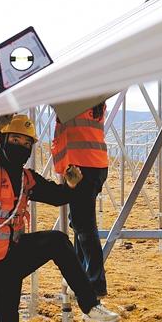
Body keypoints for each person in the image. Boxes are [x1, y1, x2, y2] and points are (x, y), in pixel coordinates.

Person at [0, 114, 119, 322]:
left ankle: (90, 304)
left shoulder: (26, 178)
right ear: (3, 140)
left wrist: (70, 186)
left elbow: (56, 196)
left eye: (27, 143)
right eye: (15, 140)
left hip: (16, 254)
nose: (21, 146)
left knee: (57, 241)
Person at [51, 102, 109, 296]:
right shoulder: (94, 101)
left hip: (82, 167)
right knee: (79, 222)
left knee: (84, 226)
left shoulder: (75, 101)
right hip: (95, 164)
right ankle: (81, 274)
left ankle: (95, 283)